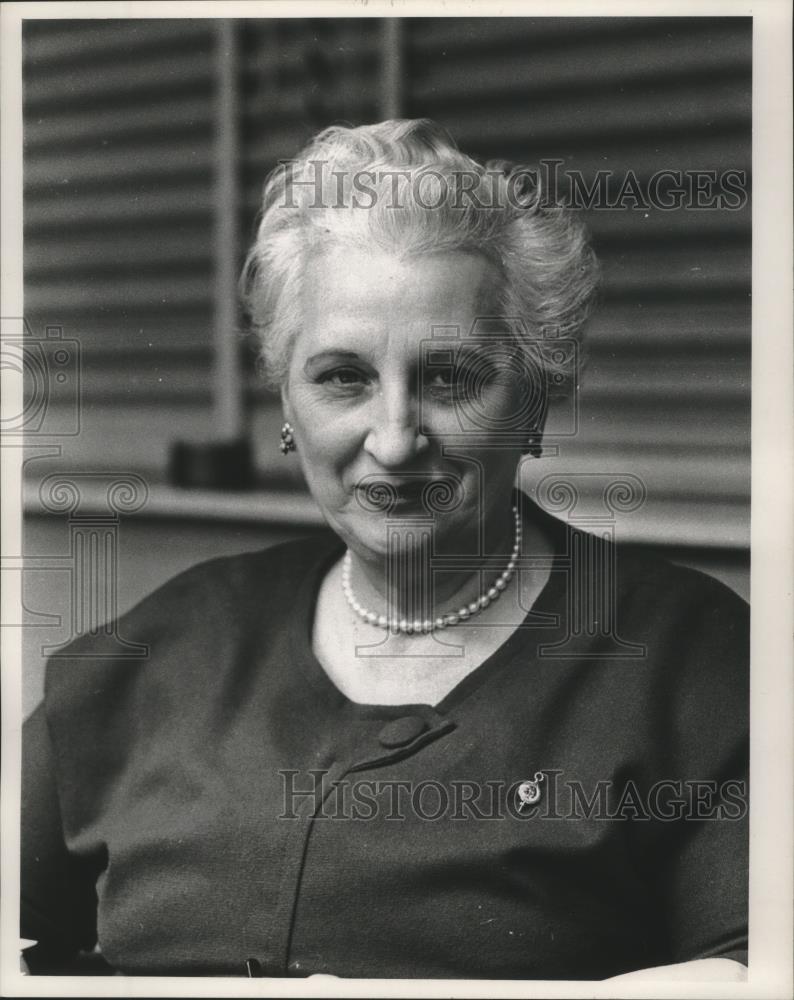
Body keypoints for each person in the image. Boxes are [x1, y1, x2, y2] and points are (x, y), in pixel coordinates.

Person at [21, 119, 748, 981]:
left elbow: (753, 971)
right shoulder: (148, 655)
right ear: (287, 407)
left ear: (536, 403)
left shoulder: (693, 663)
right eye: (343, 378)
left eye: (450, 377)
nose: (396, 441)